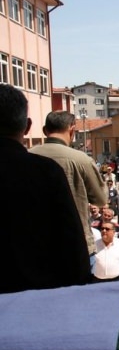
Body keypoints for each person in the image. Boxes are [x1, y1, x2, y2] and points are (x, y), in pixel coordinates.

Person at [0, 84, 90, 293]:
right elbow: (72, 244)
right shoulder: (46, 172)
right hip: (39, 294)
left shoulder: (48, 170)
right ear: (27, 126)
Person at [30, 110, 108, 256]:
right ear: (72, 131)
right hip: (75, 242)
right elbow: (101, 199)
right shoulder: (81, 159)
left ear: (45, 130)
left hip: (36, 241)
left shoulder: (27, 156)